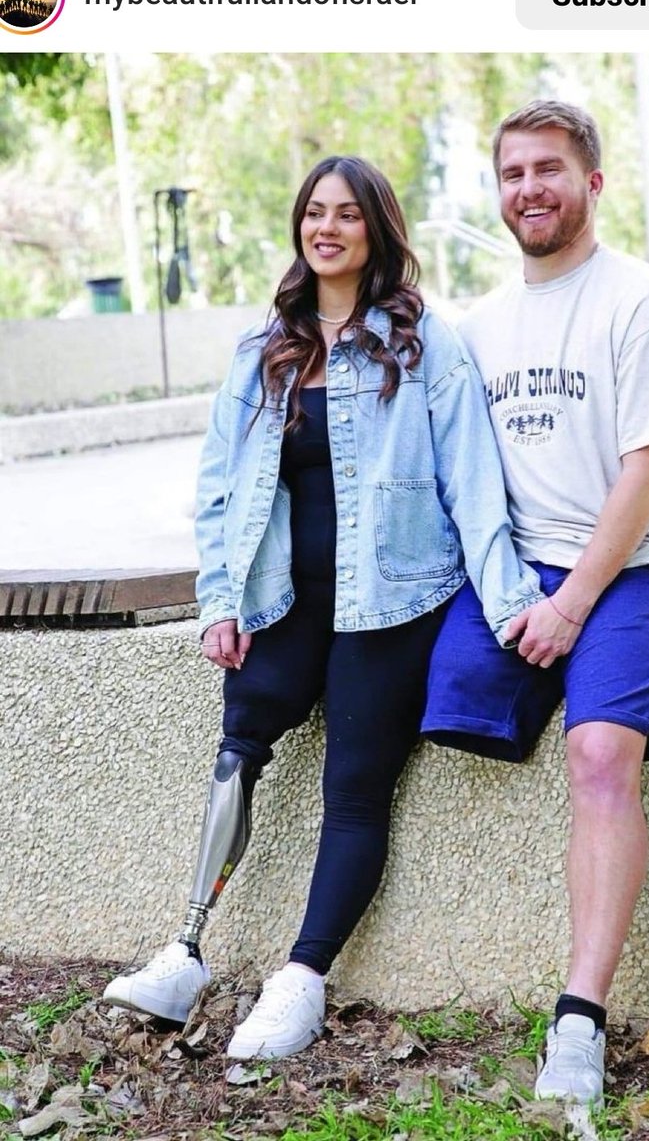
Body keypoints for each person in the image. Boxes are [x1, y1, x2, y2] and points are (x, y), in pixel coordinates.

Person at [103, 155, 543, 1060]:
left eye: (347, 213)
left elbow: (473, 481)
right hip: (282, 599)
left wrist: (512, 606)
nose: (327, 227)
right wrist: (218, 599)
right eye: (314, 211)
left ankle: (300, 979)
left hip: (392, 603)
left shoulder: (425, 343)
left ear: (377, 228)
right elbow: (221, 486)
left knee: (353, 790)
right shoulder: (264, 349)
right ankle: (185, 950)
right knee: (240, 746)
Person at [421, 100, 649, 1108]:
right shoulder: (478, 326)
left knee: (598, 753)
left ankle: (579, 1024)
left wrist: (573, 603)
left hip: (632, 567)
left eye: (549, 170)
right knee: (403, 696)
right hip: (520, 572)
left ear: (591, 183)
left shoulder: (643, 302)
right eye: (511, 174)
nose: (528, 190)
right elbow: (464, 478)